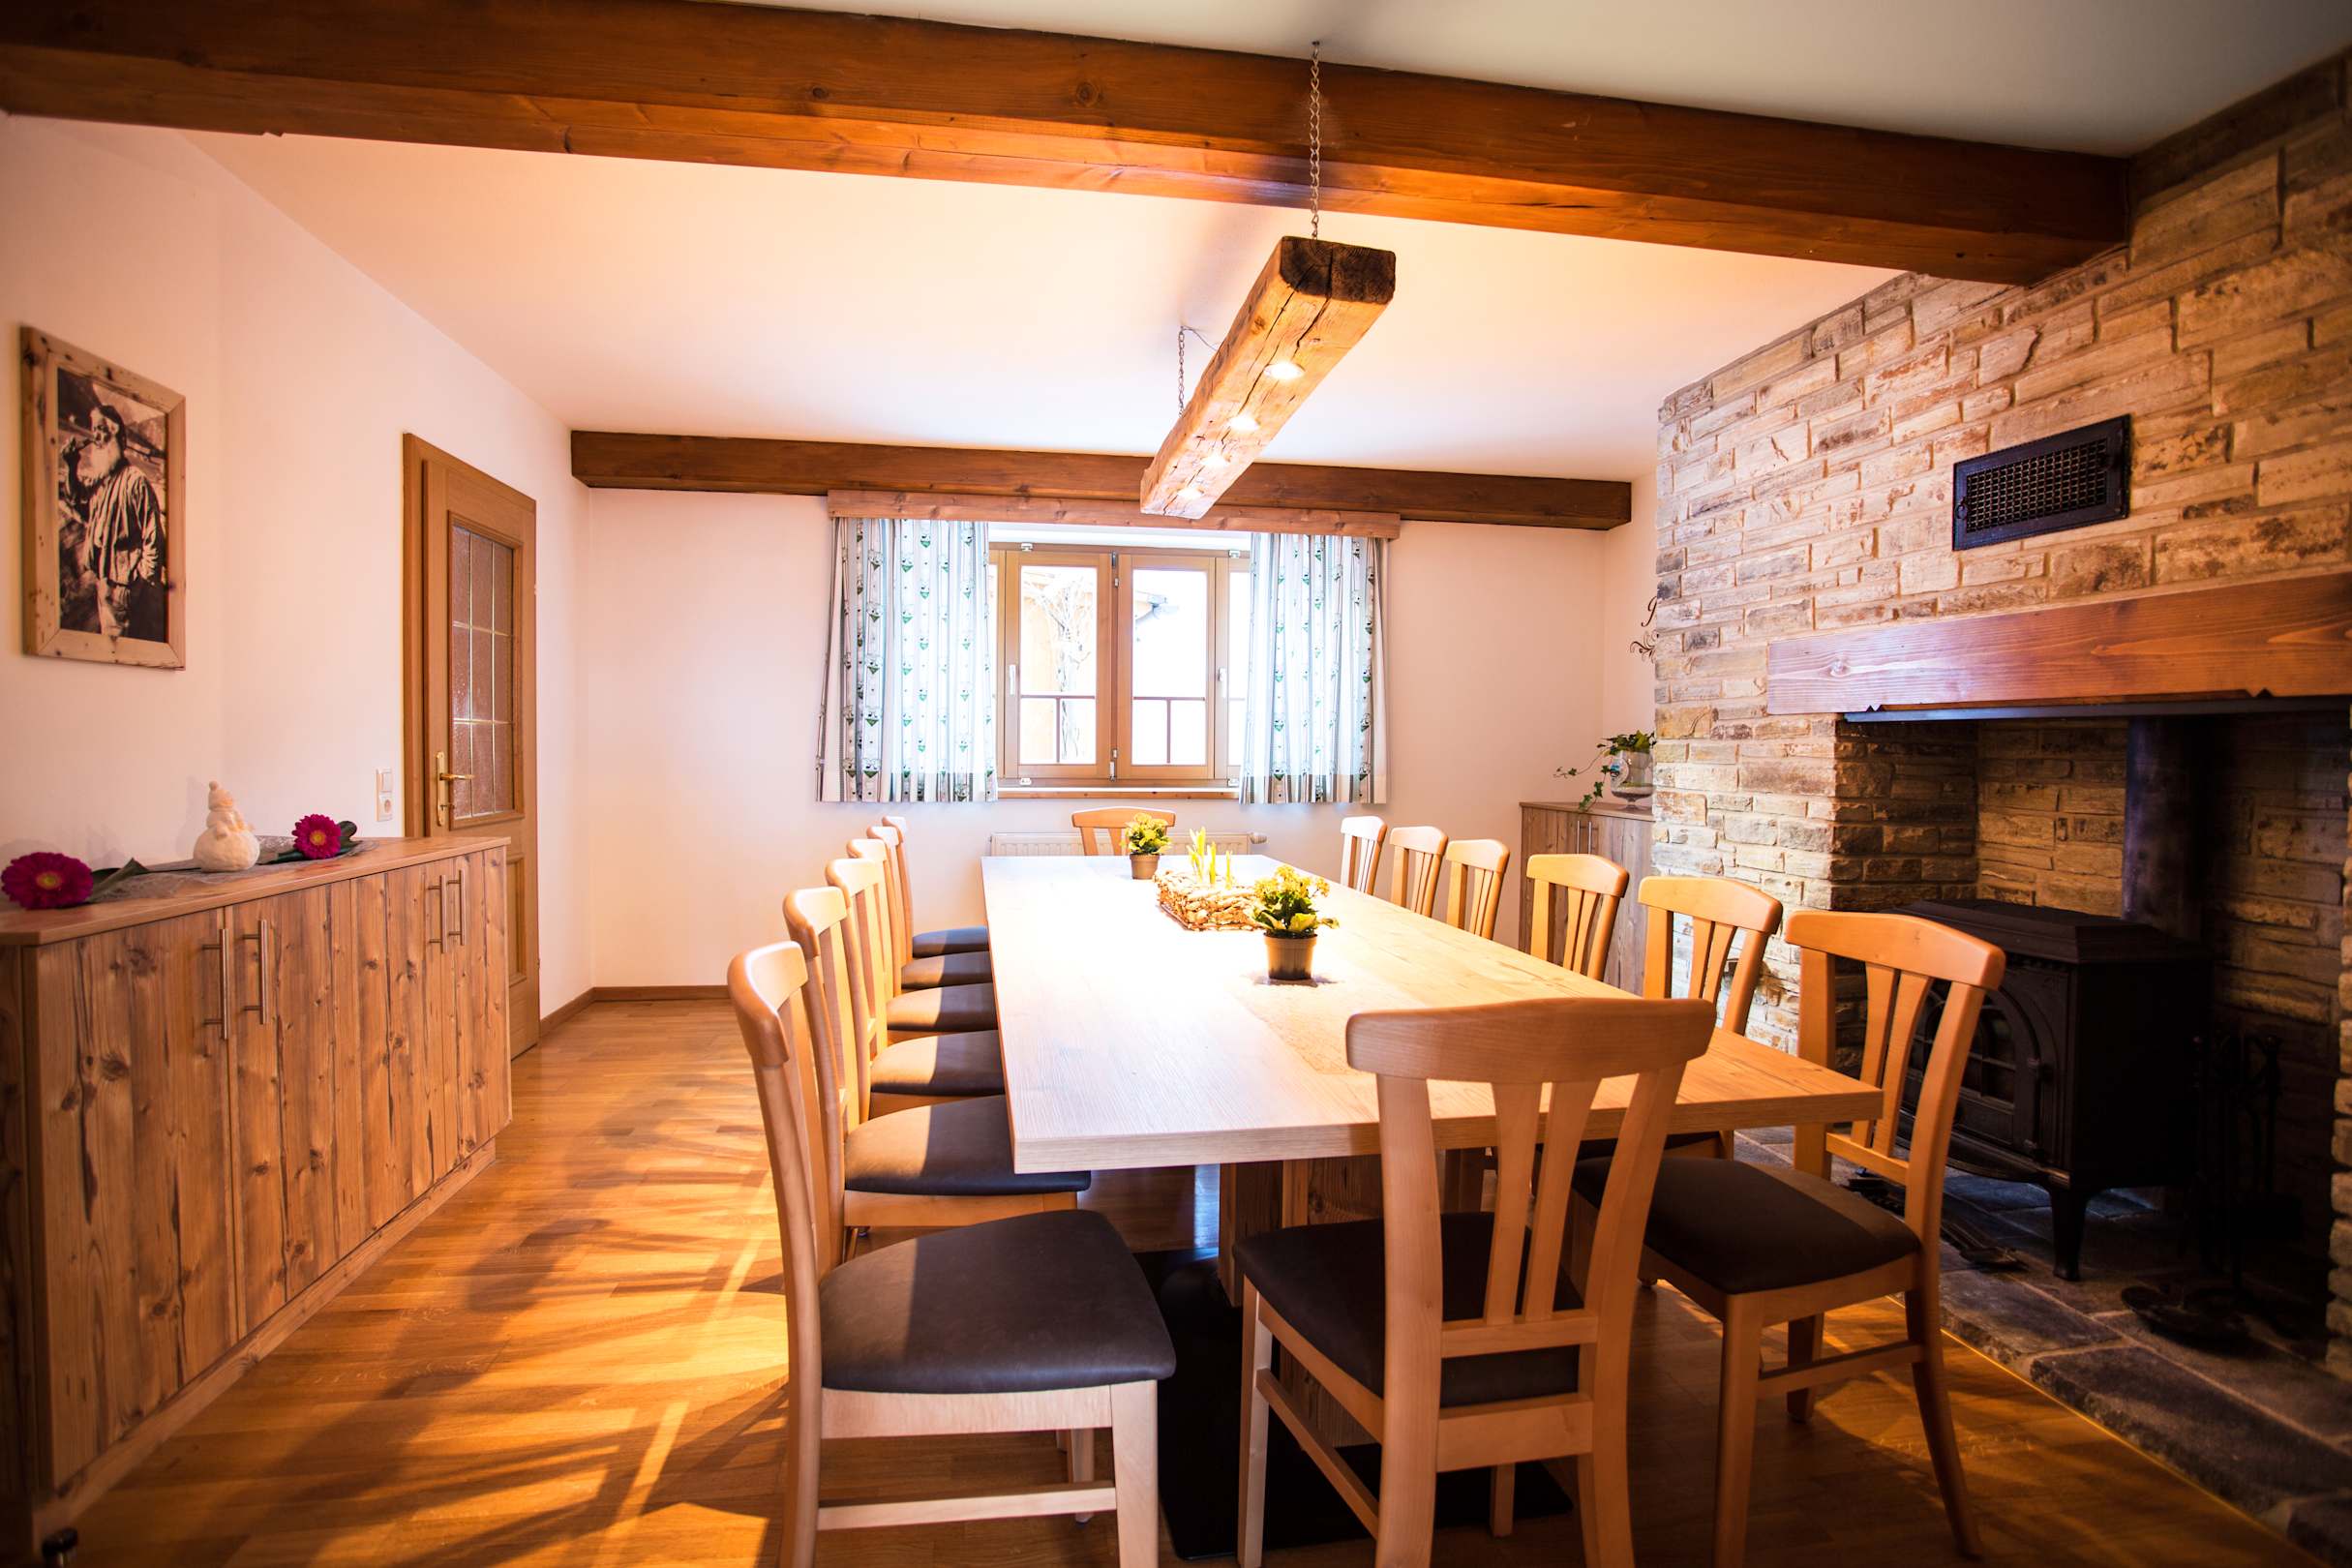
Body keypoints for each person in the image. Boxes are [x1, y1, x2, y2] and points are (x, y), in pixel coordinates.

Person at [69, 400, 166, 641]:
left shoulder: (135, 481)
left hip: (126, 585)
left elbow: (153, 536)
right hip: (105, 581)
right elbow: (80, 504)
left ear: (117, 435)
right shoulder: (102, 480)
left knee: (122, 646)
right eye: (93, 430)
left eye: (101, 429)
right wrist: (71, 466)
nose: (95, 437)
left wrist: (139, 582)